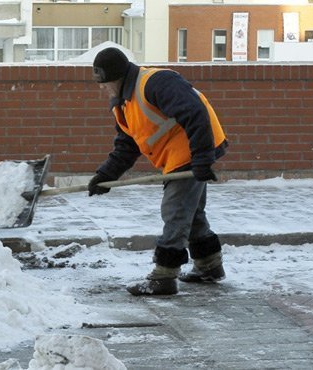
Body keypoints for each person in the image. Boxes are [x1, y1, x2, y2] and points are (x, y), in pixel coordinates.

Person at [88, 47, 228, 296]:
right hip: (181, 155)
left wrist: (202, 159)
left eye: (105, 82)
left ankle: (163, 277)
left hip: (192, 152)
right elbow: (127, 144)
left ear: (118, 77)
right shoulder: (123, 103)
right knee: (191, 213)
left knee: (174, 212)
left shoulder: (157, 82)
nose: (102, 87)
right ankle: (209, 266)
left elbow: (195, 111)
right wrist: (106, 176)